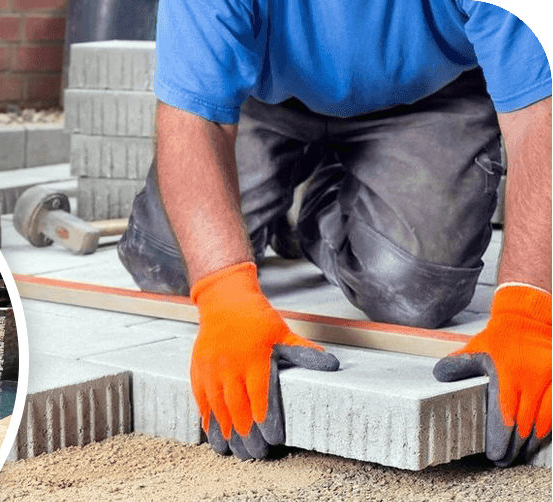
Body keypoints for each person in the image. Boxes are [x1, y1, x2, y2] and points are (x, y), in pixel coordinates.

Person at [117, 0, 551, 466]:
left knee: (412, 291)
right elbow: (194, 121)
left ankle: (321, 202)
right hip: (261, 99)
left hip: (432, 96)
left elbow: (538, 118)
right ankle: (287, 198)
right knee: (169, 264)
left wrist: (531, 309)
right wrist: (223, 293)